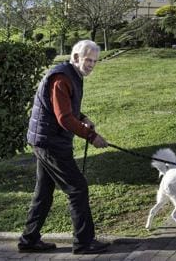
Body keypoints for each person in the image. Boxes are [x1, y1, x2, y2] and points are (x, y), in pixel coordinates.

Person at [18, 40, 110, 255]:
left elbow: (67, 109)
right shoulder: (61, 78)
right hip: (51, 142)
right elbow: (64, 118)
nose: (91, 65)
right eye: (88, 60)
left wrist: (84, 118)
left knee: (43, 192)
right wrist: (91, 136)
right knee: (77, 189)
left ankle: (29, 240)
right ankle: (84, 243)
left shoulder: (71, 75)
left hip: (46, 140)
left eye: (95, 61)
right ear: (76, 57)